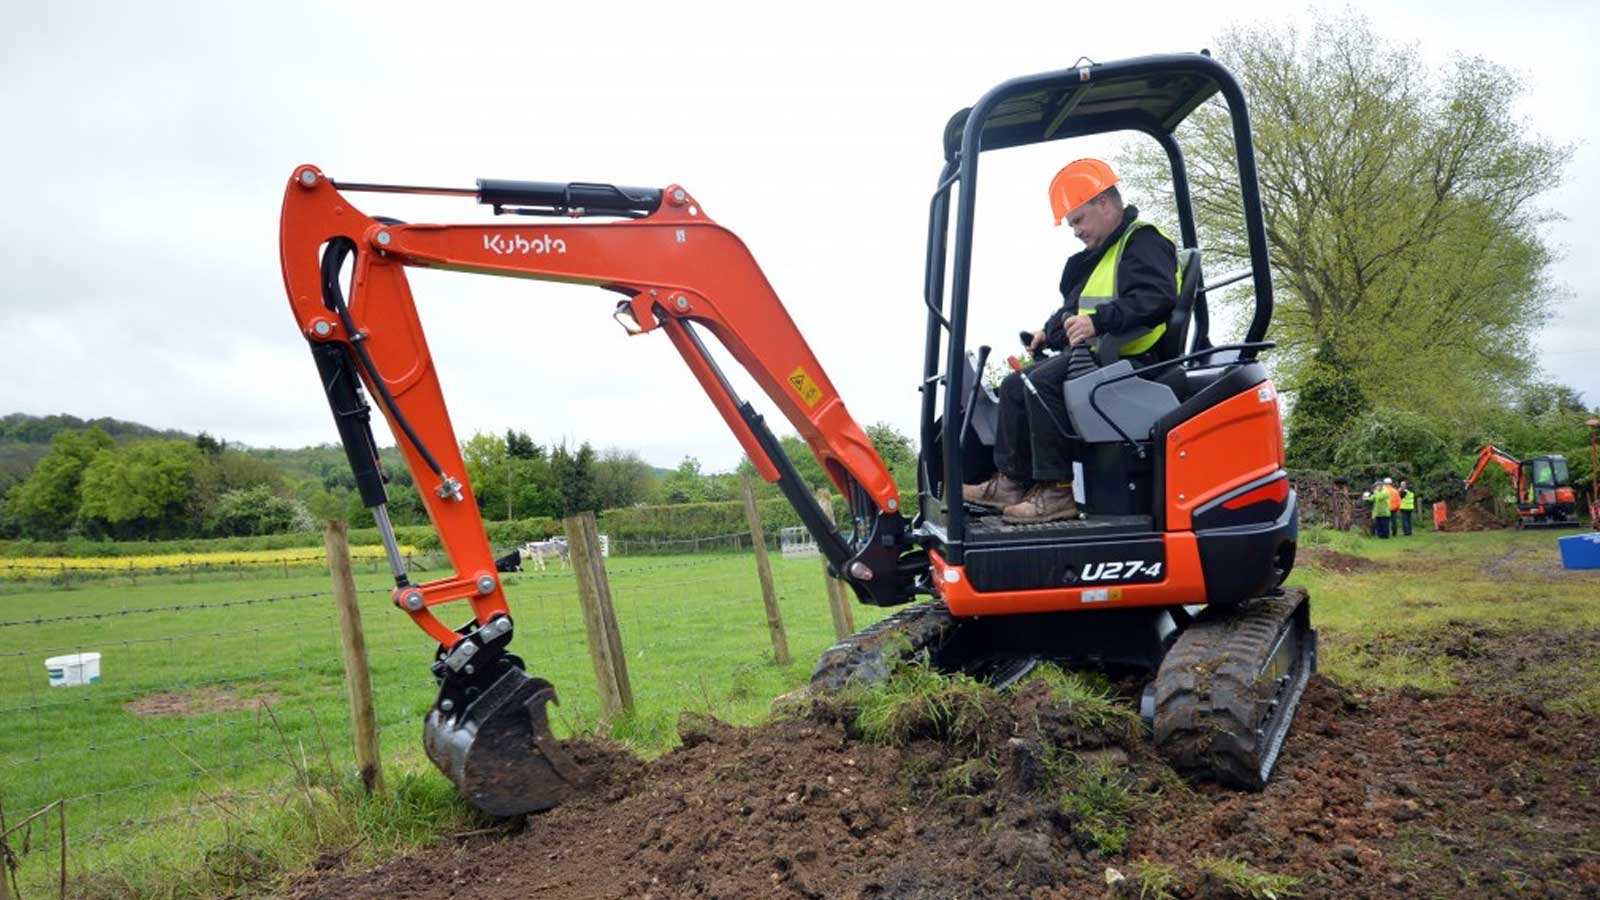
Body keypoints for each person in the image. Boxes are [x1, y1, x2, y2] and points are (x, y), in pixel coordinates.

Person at [962, 159, 1179, 523]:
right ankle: (1011, 482)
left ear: (1105, 203)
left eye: (1078, 219)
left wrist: (1098, 323)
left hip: (1134, 357)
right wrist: (1049, 331)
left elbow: (1155, 299)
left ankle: (1057, 491)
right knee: (1017, 383)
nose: (1075, 231)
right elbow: (1076, 308)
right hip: (1098, 353)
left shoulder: (1143, 241)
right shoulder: (1100, 255)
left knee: (1040, 384)